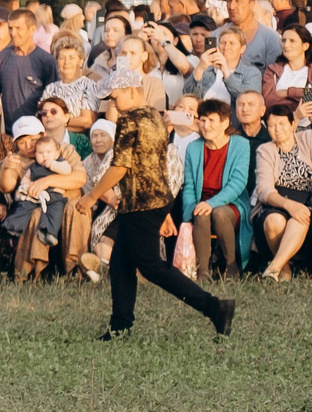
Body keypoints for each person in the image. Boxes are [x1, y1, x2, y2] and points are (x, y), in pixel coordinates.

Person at [82, 70, 232, 339]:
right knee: (121, 264)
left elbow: (120, 166)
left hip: (141, 203)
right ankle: (120, 326)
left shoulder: (130, 120)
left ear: (131, 91)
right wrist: (163, 210)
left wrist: (91, 196)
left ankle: (215, 307)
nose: (113, 105)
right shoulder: (154, 116)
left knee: (151, 267)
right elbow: (155, 164)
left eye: (115, 98)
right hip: (152, 201)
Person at [180, 98, 253, 276]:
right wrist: (189, 212)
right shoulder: (193, 148)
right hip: (202, 202)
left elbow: (238, 182)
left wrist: (211, 204)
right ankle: (203, 273)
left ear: (225, 123)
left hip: (231, 202)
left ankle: (231, 267)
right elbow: (189, 186)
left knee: (219, 213)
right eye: (203, 120)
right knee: (201, 213)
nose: (206, 126)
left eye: (212, 120)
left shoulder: (240, 144)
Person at [251, 108, 312, 279]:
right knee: (274, 221)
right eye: (272, 125)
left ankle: (273, 268)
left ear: (293, 124)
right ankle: (284, 269)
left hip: (307, 203)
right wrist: (289, 205)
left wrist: (299, 207)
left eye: (282, 124)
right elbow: (264, 190)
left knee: (301, 216)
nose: (277, 129)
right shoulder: (265, 150)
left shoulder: (308, 139)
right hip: (276, 203)